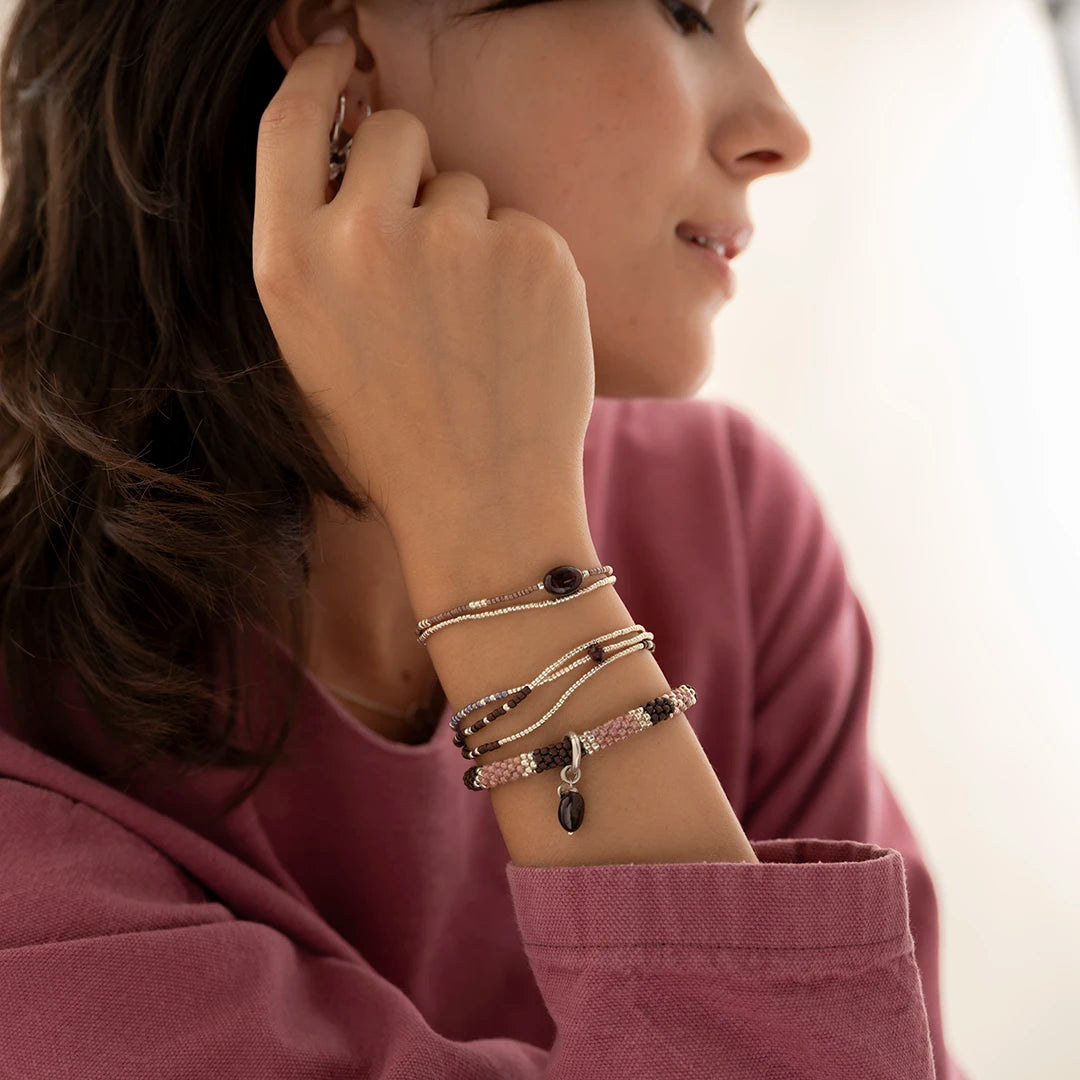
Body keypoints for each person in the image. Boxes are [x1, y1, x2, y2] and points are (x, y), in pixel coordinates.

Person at [0, 1, 970, 1076]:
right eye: (688, 13)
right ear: (345, 41)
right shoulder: (24, 742)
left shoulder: (731, 523)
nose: (782, 132)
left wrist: (507, 544)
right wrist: (520, 569)